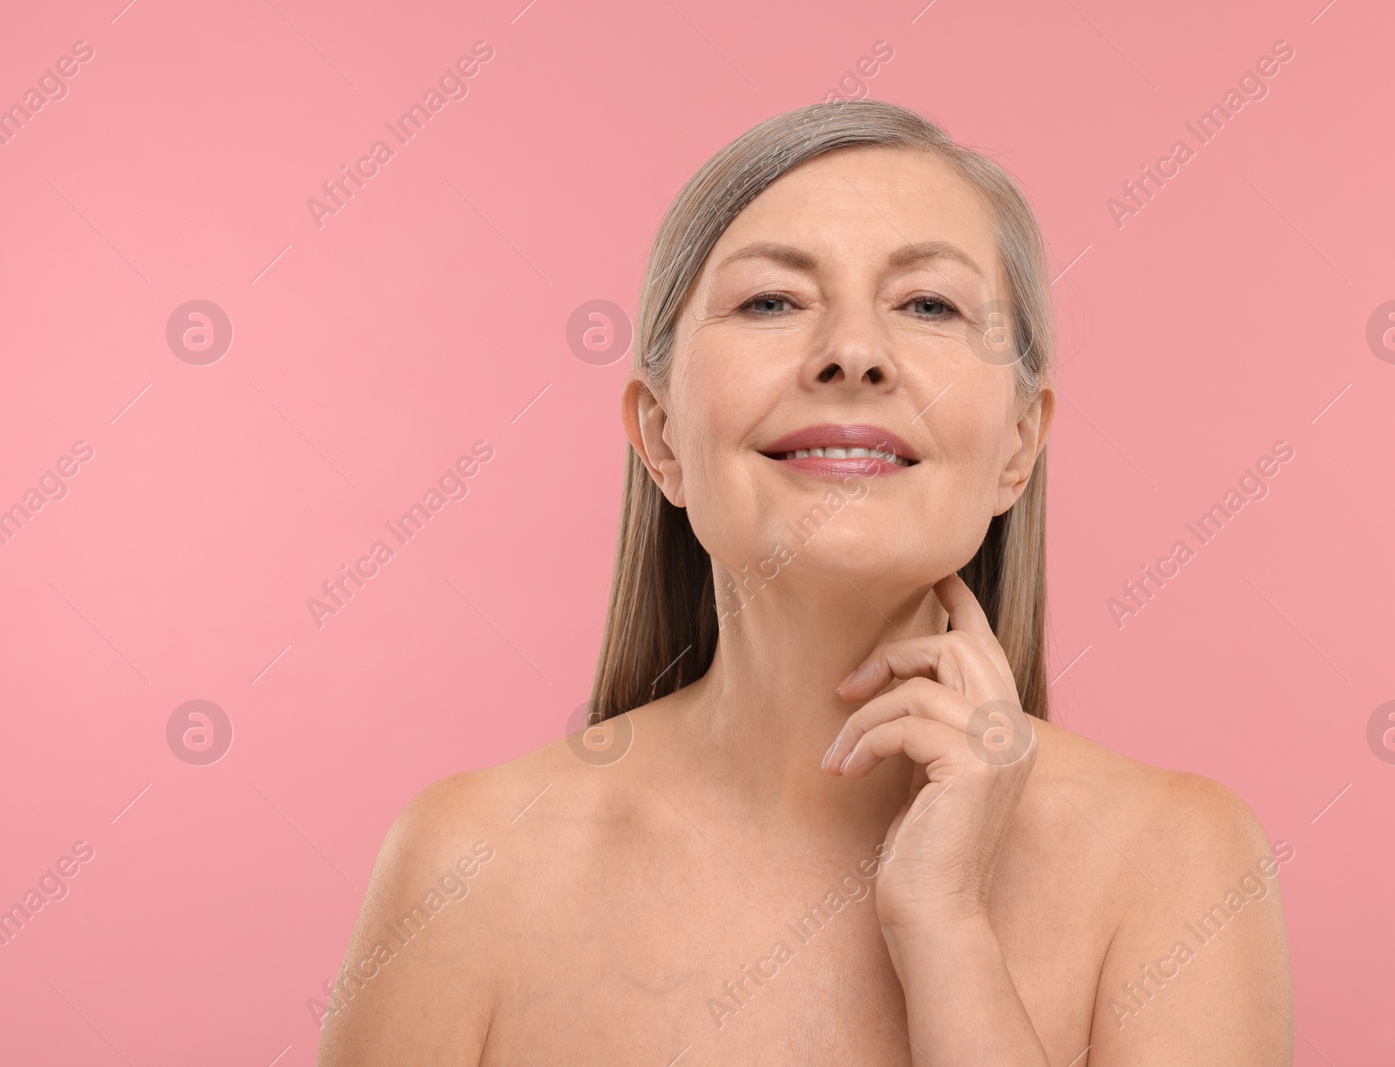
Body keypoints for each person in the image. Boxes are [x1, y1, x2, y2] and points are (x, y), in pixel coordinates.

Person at [317, 98, 1293, 1066]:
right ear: (660, 435)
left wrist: (945, 926)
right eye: (771, 301)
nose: (854, 353)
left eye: (928, 304)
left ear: (1017, 445)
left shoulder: (1179, 864)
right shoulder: (466, 865)